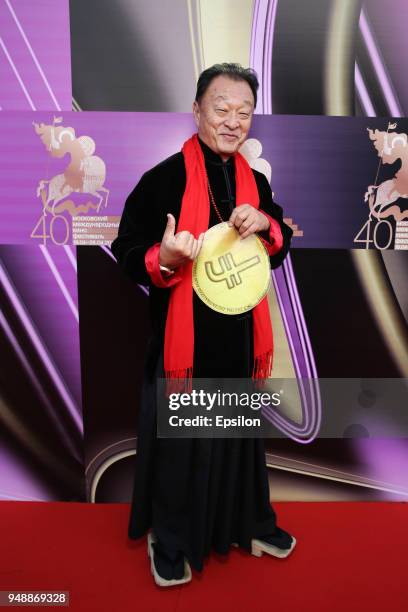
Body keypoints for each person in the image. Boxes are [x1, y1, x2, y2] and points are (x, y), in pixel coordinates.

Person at [110, 63, 296, 587]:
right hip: (184, 351)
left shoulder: (255, 182)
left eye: (244, 111)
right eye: (221, 108)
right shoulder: (162, 180)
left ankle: (249, 523)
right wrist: (161, 257)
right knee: (181, 450)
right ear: (196, 110)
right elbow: (126, 250)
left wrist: (267, 225)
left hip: (240, 345)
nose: (233, 121)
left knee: (240, 444)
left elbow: (279, 246)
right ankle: (168, 541)